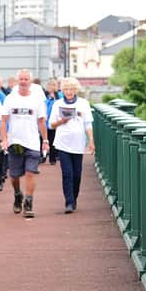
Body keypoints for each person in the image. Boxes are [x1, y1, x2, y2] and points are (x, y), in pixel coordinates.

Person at [0, 69, 49, 218]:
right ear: (17, 81)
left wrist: (45, 141)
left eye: (26, 79)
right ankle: (17, 194)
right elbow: (3, 120)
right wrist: (4, 139)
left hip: (32, 141)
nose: (23, 81)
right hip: (15, 141)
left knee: (30, 173)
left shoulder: (37, 100)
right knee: (14, 176)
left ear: (30, 81)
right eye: (21, 79)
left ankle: (28, 203)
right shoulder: (10, 99)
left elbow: (41, 121)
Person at [48, 77, 95, 214]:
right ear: (62, 90)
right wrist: (62, 121)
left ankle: (74, 198)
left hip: (78, 143)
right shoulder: (57, 104)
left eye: (71, 89)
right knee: (67, 173)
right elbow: (51, 124)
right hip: (62, 143)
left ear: (75, 90)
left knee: (77, 175)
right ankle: (69, 202)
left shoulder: (83, 103)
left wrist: (91, 140)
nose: (69, 91)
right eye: (66, 89)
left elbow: (88, 123)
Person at [44, 78, 62, 165]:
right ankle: (43, 156)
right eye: (50, 85)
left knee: (53, 140)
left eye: (53, 85)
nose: (51, 87)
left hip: (56, 121)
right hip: (46, 121)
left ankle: (53, 158)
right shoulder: (45, 95)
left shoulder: (59, 95)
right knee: (45, 139)